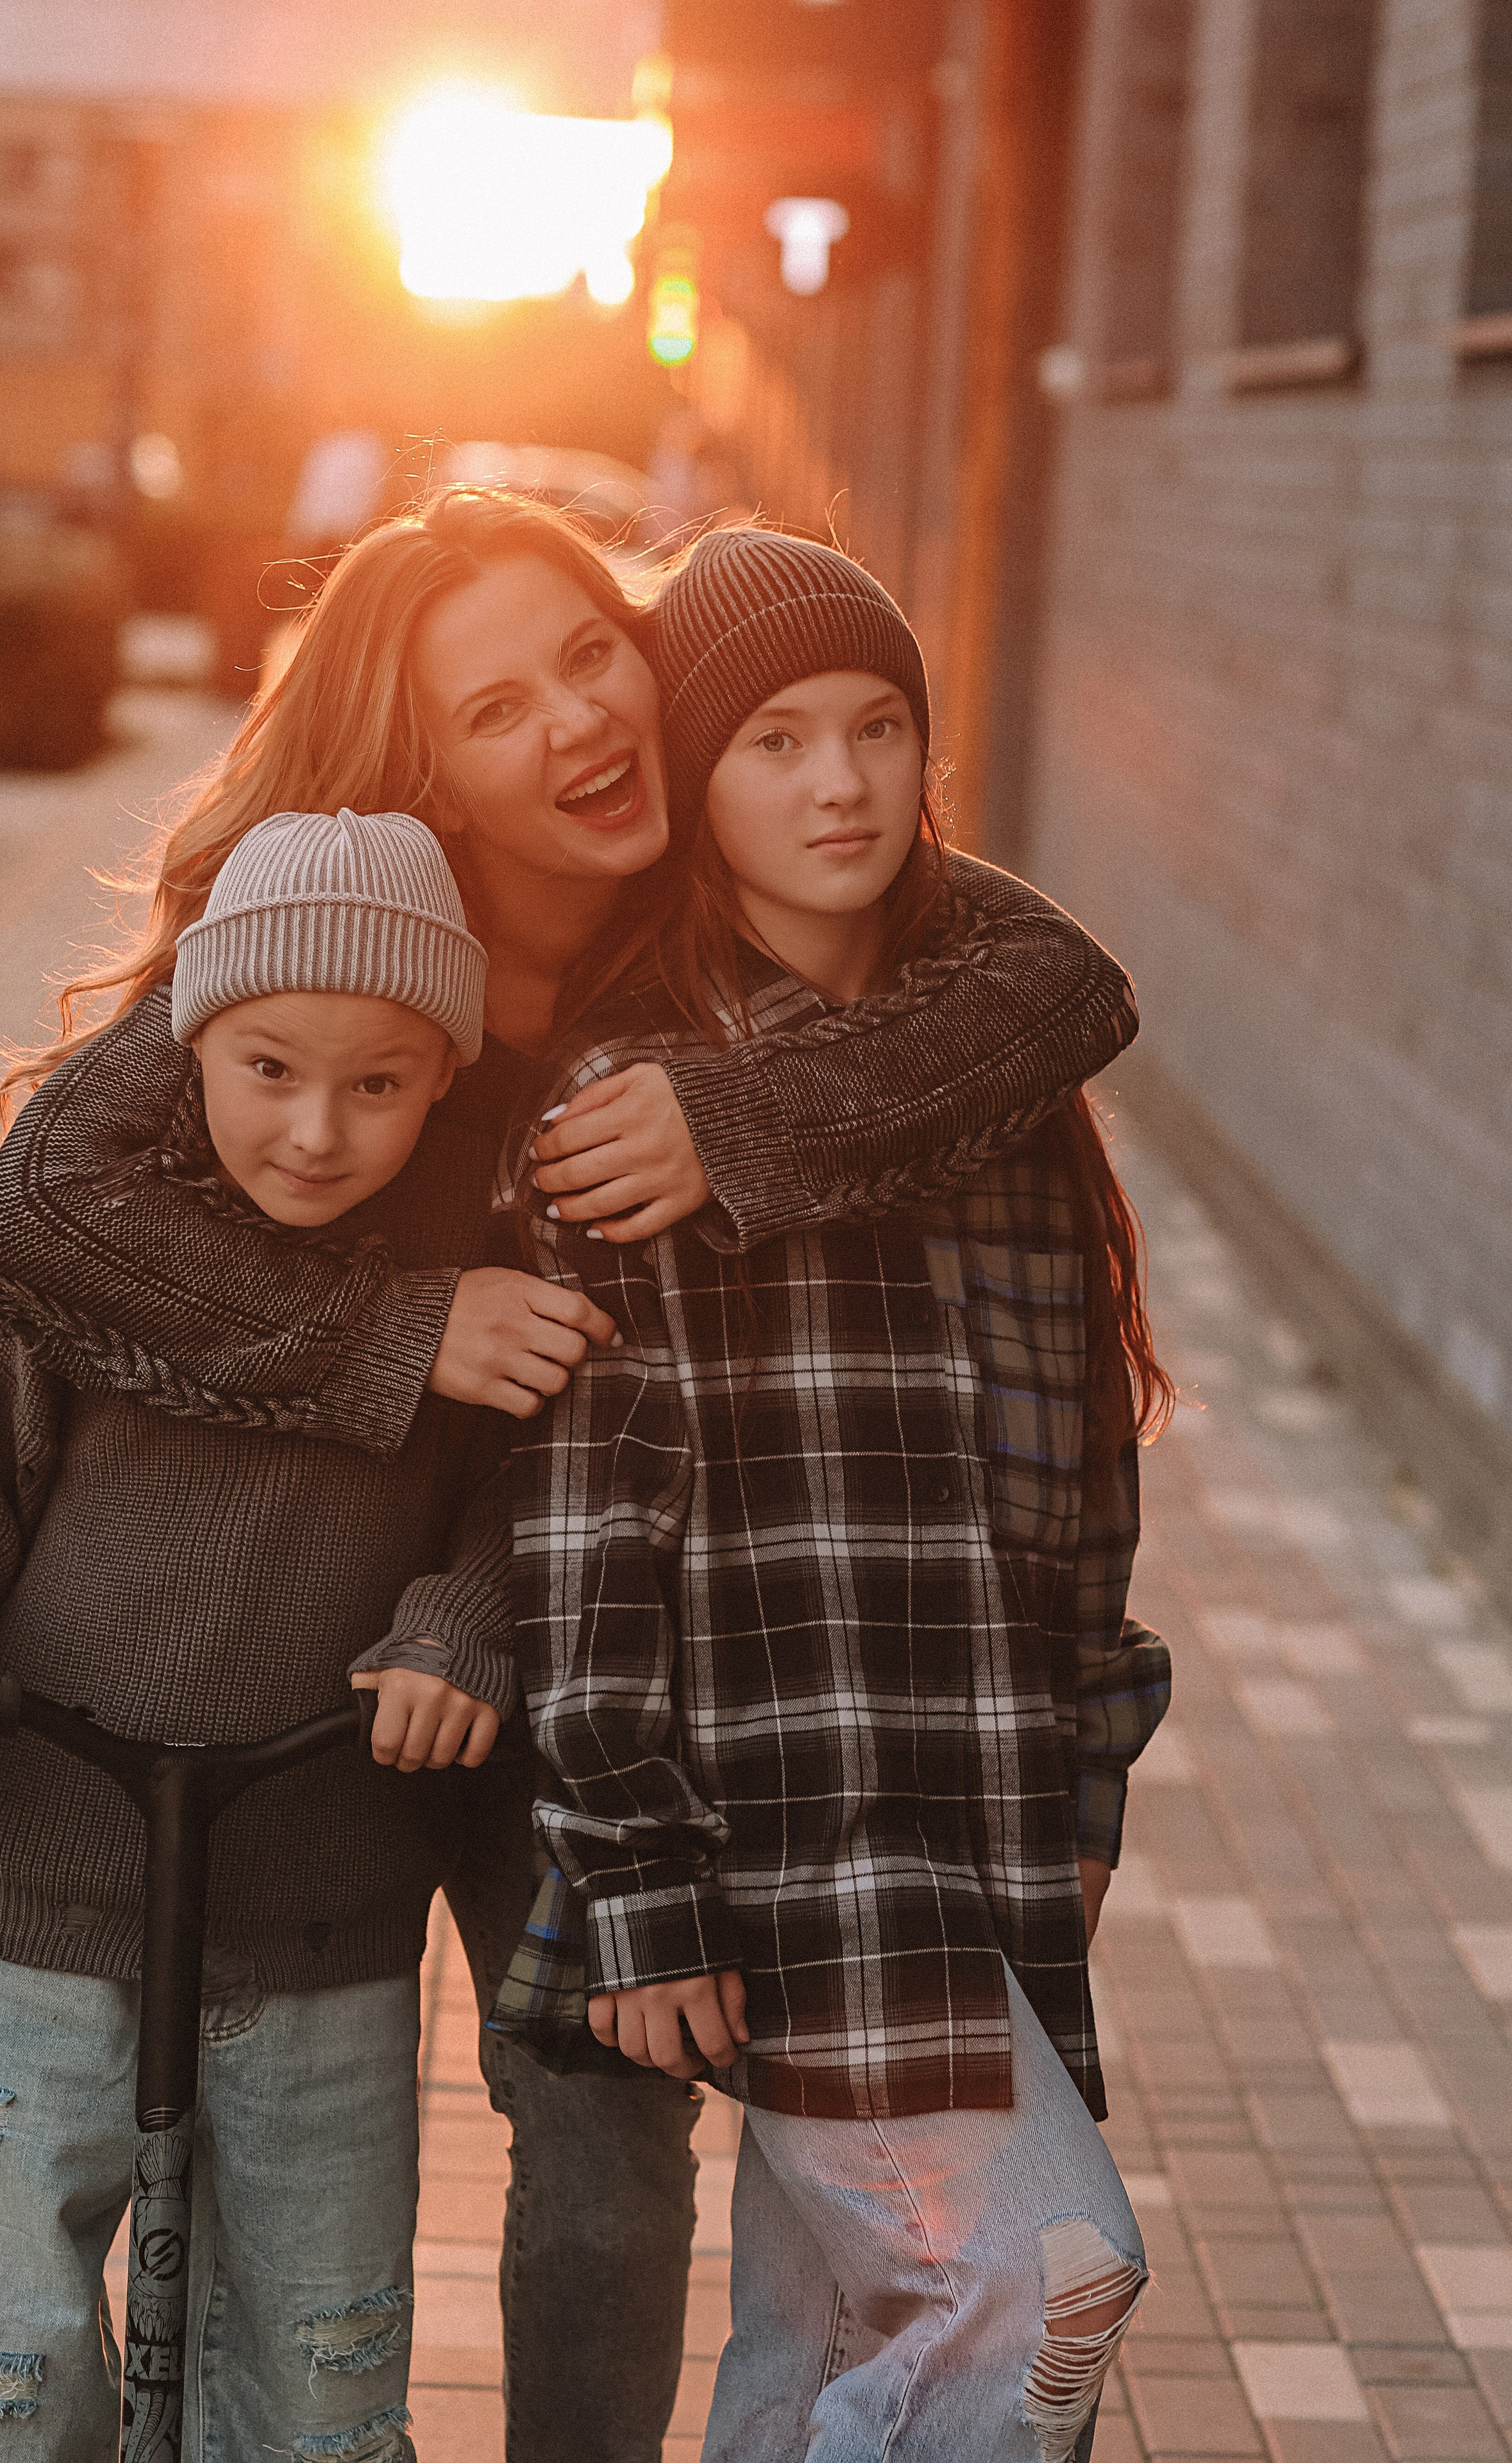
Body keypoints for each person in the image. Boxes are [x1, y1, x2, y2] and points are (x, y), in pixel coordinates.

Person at [0, 489, 1144, 2463]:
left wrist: (743, 1114)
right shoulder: (332, 912)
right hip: (303, 1635)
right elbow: (51, 1206)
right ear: (422, 769)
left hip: (584, 1625)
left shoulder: (731, 891)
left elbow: (1060, 987)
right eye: (496, 708)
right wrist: (396, 1334)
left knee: (607, 2137)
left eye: (595, 653)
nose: (580, 722)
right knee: (252, 2172)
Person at [496, 529, 1175, 2462]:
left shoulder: (995, 1087)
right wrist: (631, 1874)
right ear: (699, 785)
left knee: (816, 2338)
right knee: (1050, 2273)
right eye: (776, 740)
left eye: (878, 726)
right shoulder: (629, 1106)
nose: (843, 783)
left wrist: (1090, 1785)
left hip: (979, 1817)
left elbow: (1080, 1484)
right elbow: (584, 1536)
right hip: (788, 1839)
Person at [0, 809, 514, 2460]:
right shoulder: (91, 1278)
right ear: (190, 1052)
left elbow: (515, 1515)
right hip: (38, 1903)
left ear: (442, 1077)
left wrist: (458, 1630)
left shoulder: (461, 1294)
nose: (314, 1131)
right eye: (269, 1068)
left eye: (378, 1081)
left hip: (317, 1921)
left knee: (320, 2386)